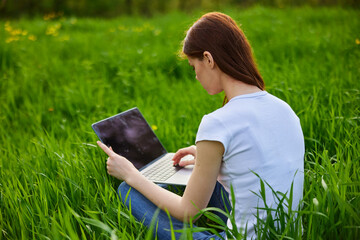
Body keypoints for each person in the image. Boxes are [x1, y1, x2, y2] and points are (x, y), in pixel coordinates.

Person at [97, 12, 304, 239]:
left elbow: (189, 213)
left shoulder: (217, 123)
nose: (196, 76)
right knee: (203, 178)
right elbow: (263, 158)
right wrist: (207, 157)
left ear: (208, 58)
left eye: (193, 67)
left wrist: (130, 174)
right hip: (288, 234)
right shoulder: (285, 109)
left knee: (128, 191)